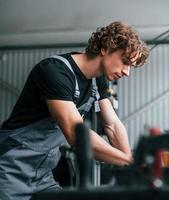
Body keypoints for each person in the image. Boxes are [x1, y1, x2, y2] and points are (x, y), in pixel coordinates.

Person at [0, 21, 149, 200]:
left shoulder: (98, 80)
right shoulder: (55, 71)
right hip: (10, 168)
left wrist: (129, 167)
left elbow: (112, 125)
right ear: (105, 48)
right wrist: (130, 162)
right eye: (125, 62)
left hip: (43, 175)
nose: (127, 72)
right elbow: (76, 135)